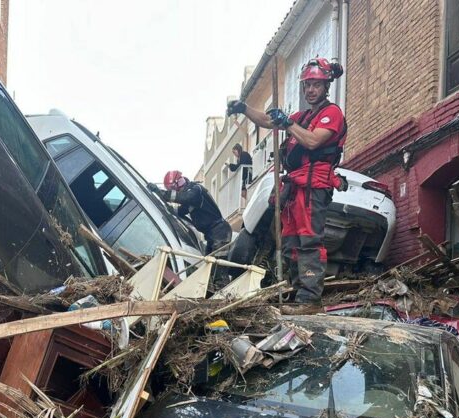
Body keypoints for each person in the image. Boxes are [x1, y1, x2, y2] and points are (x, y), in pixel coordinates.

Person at [226, 57, 346, 309]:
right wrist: (244, 108)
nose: (311, 90)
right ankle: (295, 293)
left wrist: (287, 123)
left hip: (314, 186)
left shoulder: (331, 113)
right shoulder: (302, 116)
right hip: (294, 188)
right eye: (307, 85)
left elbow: (313, 142)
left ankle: (310, 300)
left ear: (326, 86)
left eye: (316, 84)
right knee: (291, 242)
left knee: (309, 241)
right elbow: (268, 120)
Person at [147, 171, 231, 255]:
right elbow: (179, 211)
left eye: (172, 189)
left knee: (218, 265)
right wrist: (165, 207)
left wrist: (160, 192)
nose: (176, 190)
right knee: (209, 264)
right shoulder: (191, 200)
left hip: (220, 232)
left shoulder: (196, 190)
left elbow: (185, 197)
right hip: (212, 235)